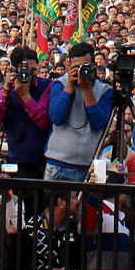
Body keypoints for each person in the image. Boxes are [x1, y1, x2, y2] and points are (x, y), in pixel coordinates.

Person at [45, 44, 114, 182]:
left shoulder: (105, 90)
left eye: (86, 66)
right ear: (69, 65)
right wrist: (70, 85)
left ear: (94, 64)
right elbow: (56, 117)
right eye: (77, 66)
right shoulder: (60, 84)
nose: (82, 70)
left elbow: (98, 123)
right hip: (58, 163)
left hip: (88, 165)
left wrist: (87, 89)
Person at [0, 47, 53, 179]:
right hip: (16, 163)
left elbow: (45, 122)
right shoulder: (7, 89)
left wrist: (25, 96)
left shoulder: (47, 86)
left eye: (34, 70)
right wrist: (6, 89)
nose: (31, 74)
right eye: (26, 70)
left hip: (42, 163)